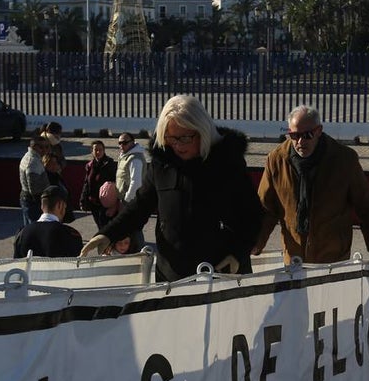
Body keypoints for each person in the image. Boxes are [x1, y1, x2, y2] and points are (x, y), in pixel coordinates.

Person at [79, 95, 263, 282]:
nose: (177, 146)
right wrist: (108, 233)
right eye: (171, 138)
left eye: (184, 138)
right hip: (171, 276)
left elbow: (253, 216)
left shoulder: (227, 161)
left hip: (221, 272)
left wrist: (237, 253)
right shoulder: (163, 161)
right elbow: (140, 206)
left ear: (202, 131)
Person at [253, 105, 369, 266]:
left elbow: (366, 207)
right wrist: (255, 244)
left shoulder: (344, 160)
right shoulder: (276, 160)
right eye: (294, 135)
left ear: (319, 131)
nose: (300, 141)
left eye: (307, 135)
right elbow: (265, 208)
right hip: (294, 258)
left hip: (333, 259)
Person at [12, 185, 84, 258]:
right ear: (60, 205)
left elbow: (17, 265)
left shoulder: (22, 233)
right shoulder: (71, 235)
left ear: (42, 206)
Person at [79, 140, 117, 229]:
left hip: (106, 202)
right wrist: (83, 200)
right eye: (96, 150)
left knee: (105, 225)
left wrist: (115, 204)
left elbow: (115, 183)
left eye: (100, 149)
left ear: (104, 150)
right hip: (93, 201)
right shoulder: (90, 165)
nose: (98, 152)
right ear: (92, 151)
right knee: (99, 225)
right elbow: (86, 184)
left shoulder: (110, 164)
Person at [18, 135, 51, 226]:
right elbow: (34, 187)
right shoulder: (32, 162)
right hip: (33, 201)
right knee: (34, 229)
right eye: (41, 147)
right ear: (34, 147)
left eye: (47, 147)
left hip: (28, 198)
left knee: (29, 228)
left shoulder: (31, 157)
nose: (45, 150)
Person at [115, 131, 145, 205]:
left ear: (132, 142)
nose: (121, 145)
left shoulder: (135, 159)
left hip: (131, 202)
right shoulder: (124, 156)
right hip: (123, 199)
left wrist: (127, 200)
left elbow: (136, 183)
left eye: (124, 143)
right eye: (119, 143)